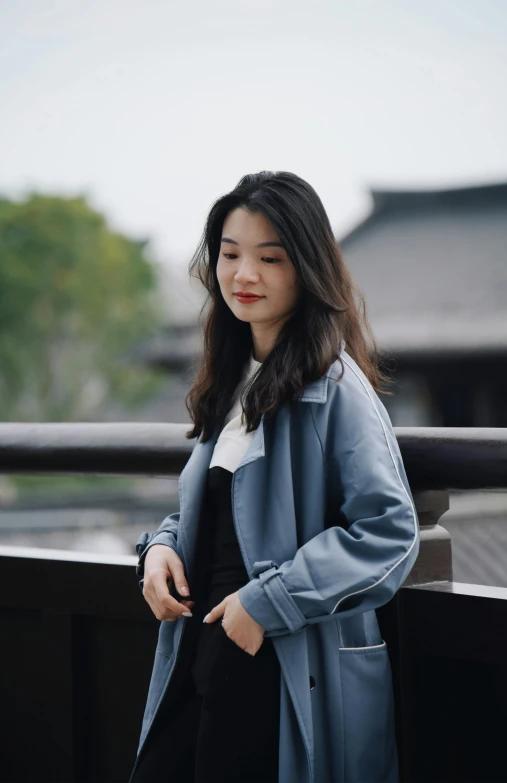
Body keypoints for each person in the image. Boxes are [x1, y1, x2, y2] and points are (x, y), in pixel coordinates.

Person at [129, 171, 419, 783]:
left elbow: (389, 531)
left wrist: (268, 603)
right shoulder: (232, 379)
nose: (244, 276)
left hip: (274, 654)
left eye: (270, 258)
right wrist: (157, 549)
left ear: (307, 268)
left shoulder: (335, 390)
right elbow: (219, 510)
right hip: (199, 646)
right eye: (229, 256)